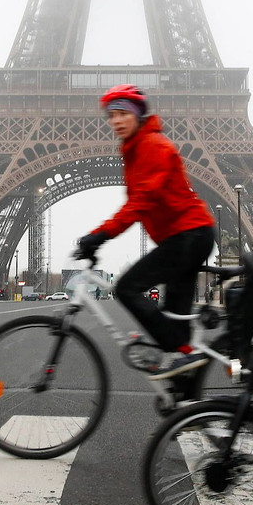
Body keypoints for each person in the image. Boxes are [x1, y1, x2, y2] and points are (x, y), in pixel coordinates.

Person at [74, 84, 217, 381]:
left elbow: (140, 201)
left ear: (138, 115)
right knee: (174, 320)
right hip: (186, 236)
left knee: (126, 287)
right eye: (111, 115)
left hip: (189, 235)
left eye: (123, 113)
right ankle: (186, 394)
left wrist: (101, 235)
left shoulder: (153, 146)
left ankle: (182, 352)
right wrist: (101, 236)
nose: (116, 121)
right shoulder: (135, 149)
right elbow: (139, 203)